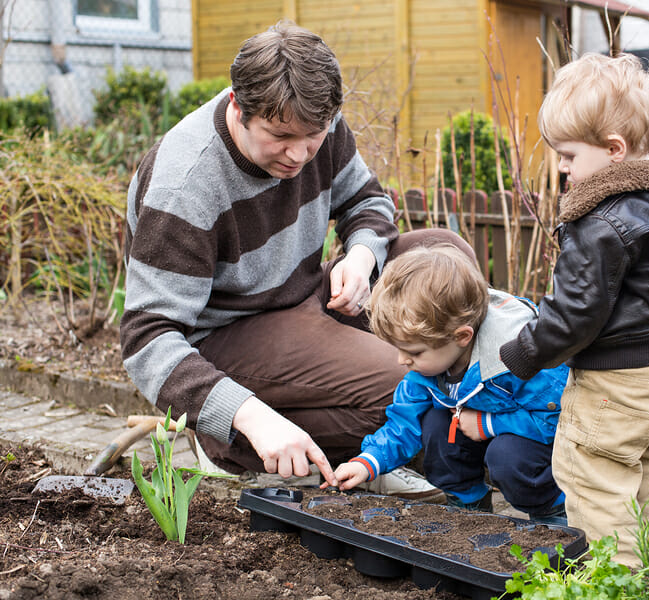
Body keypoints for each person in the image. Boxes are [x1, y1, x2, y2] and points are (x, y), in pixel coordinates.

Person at [120, 20, 474, 500]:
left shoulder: (315, 121)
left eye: (314, 135)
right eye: (280, 136)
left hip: (306, 294)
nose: (300, 154)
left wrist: (363, 257)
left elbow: (366, 200)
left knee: (443, 255)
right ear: (237, 106)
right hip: (230, 335)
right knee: (403, 381)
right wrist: (250, 416)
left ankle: (472, 414)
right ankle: (234, 443)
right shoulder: (184, 187)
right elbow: (148, 340)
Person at [498, 53, 649, 565]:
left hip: (613, 385)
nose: (562, 166)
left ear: (614, 150)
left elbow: (576, 314)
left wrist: (523, 353)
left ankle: (616, 583)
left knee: (596, 484)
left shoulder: (599, 222)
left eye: (570, 155)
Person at [324, 244, 571, 524]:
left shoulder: (519, 358)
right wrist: (368, 462)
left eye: (414, 352)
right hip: (478, 425)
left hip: (534, 442)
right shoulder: (427, 370)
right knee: (436, 426)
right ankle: (468, 506)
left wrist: (488, 424)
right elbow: (403, 424)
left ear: (462, 337)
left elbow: (557, 419)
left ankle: (551, 511)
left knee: (508, 459)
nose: (401, 360)